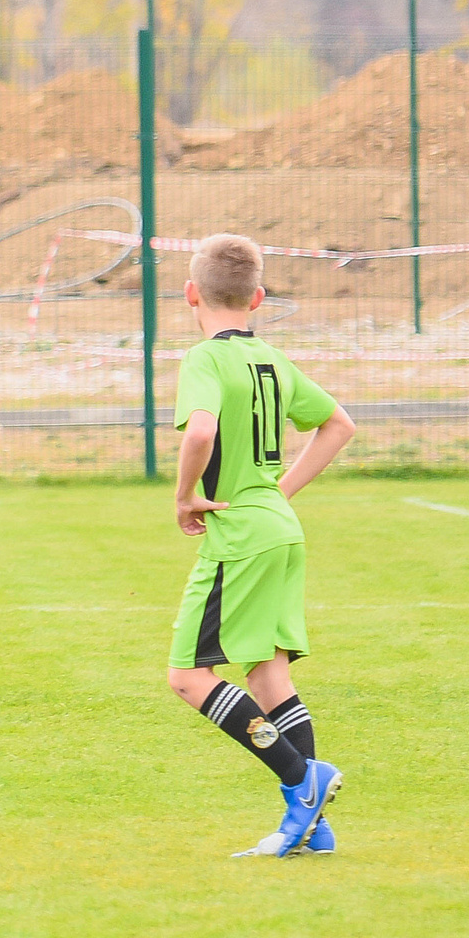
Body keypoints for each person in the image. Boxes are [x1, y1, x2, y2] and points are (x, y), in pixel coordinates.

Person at [162, 233, 355, 858]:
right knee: (269, 673)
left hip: (240, 537)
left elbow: (201, 429)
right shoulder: (271, 359)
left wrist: (186, 496)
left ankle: (304, 780)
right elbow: (338, 425)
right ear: (259, 298)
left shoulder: (204, 359)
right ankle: (312, 827)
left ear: (191, 294)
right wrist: (280, 491)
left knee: (189, 676)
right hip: (278, 528)